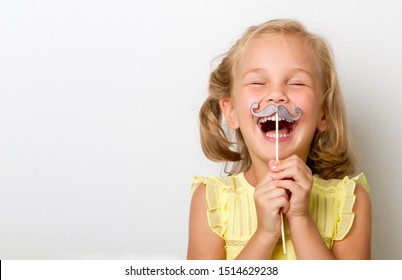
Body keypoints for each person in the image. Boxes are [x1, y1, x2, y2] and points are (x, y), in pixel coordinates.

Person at [187, 19, 371, 260]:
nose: (276, 95)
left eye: (296, 83)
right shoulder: (210, 201)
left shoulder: (350, 201)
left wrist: (301, 219)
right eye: (258, 82)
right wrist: (264, 234)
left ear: (323, 114)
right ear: (231, 112)